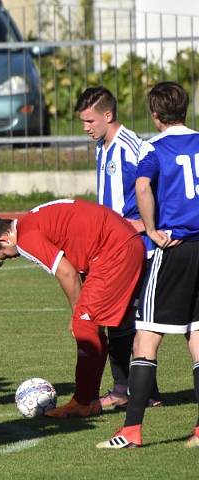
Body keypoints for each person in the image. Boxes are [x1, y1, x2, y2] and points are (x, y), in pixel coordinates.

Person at [98, 82, 199, 449]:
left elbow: (142, 187)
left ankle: (131, 430)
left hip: (173, 249)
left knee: (146, 337)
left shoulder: (154, 147)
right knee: (198, 338)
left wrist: (152, 230)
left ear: (155, 116)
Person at [0, 199, 145, 418]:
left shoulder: (26, 237)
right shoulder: (34, 218)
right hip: (121, 243)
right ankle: (91, 398)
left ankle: (83, 402)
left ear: (4, 238)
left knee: (84, 325)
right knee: (95, 326)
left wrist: (77, 312)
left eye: (7, 254)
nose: (14, 257)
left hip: (114, 251)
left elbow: (66, 272)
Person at [75, 86, 161, 410]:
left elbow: (155, 186)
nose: (86, 127)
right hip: (111, 248)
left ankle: (126, 389)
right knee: (121, 318)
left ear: (107, 115)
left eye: (89, 120)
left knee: (129, 319)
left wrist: (148, 225)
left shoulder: (133, 147)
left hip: (132, 248)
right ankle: (142, 391)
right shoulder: (102, 146)